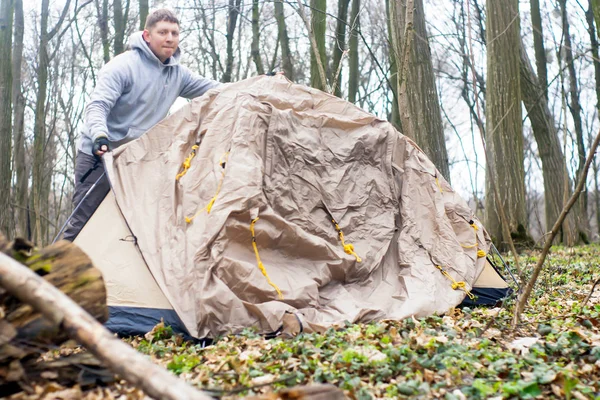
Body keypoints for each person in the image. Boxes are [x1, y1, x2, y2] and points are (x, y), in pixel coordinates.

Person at [62, 8, 220, 241]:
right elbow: (97, 106)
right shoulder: (122, 66)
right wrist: (99, 135)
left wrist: (257, 82)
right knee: (82, 223)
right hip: (100, 155)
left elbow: (216, 89)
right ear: (147, 36)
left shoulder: (178, 74)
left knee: (133, 226)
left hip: (136, 160)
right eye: (163, 32)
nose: (169, 38)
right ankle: (46, 274)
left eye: (174, 33)